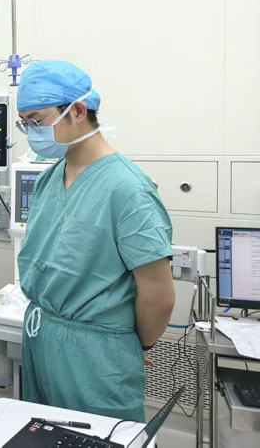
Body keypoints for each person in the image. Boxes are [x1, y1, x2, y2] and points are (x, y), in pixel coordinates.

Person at [15, 60, 176, 422]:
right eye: (24, 123)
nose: (31, 133)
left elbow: (159, 295)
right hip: (41, 340)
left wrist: (136, 344)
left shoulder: (128, 189)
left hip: (97, 358)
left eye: (36, 121)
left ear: (77, 111)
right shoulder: (49, 179)